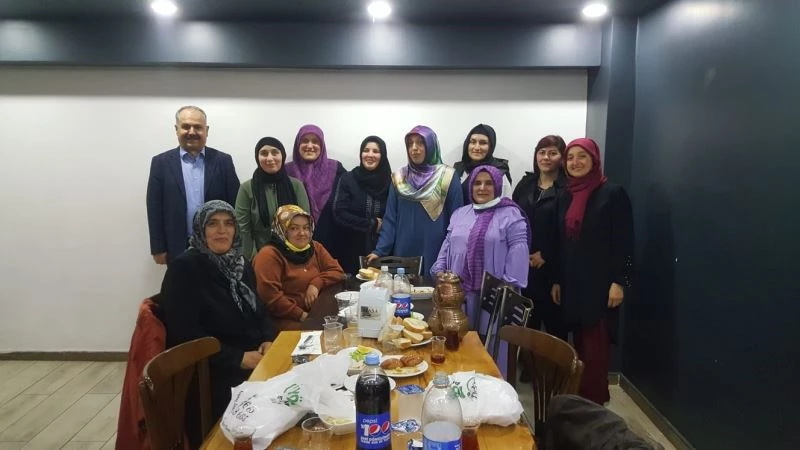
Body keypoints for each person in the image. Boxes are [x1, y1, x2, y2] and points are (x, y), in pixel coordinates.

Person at [159, 200, 275, 446]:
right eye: (213, 224)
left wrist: (267, 339)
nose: (222, 231)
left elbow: (259, 311)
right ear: (200, 230)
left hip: (253, 362)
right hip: (211, 375)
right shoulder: (184, 269)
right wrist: (238, 358)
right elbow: (185, 334)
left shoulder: (241, 265)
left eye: (228, 224)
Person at [550, 138, 634, 405]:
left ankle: (593, 404)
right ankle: (581, 399)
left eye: (582, 156)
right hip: (572, 283)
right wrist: (557, 281)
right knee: (579, 345)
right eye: (570, 157)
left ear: (594, 160)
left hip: (600, 285)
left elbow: (625, 242)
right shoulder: (566, 195)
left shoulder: (612, 193)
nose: (575, 162)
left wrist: (620, 282)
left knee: (596, 348)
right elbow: (561, 243)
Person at [431, 164, 530, 331]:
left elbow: (518, 254)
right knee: (458, 339)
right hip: (457, 295)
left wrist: (505, 290)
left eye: (489, 183)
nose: (482, 188)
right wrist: (440, 271)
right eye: (477, 183)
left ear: (497, 186)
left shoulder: (511, 215)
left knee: (489, 340)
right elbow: (447, 244)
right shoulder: (460, 213)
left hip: (494, 297)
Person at [146, 106, 240, 265]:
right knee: (181, 281)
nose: (191, 132)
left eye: (198, 127)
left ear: (206, 130)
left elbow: (235, 204)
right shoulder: (160, 163)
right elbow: (154, 208)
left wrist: (235, 242)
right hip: (177, 245)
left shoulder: (223, 161)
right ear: (176, 130)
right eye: (186, 126)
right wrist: (158, 248)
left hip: (217, 243)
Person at [367, 125, 464, 275]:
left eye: (420, 143)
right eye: (410, 143)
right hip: (404, 252)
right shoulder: (399, 178)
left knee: (433, 288)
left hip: (437, 252)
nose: (414, 148)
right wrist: (380, 250)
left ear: (431, 145)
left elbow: (457, 222)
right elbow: (390, 219)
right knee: (404, 287)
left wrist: (452, 255)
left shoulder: (448, 177)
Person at [512, 135, 569, 341]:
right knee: (526, 330)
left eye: (553, 153)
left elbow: (568, 232)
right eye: (542, 152)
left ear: (562, 158)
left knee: (556, 332)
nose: (546, 157)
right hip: (523, 267)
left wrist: (546, 255)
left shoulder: (568, 189)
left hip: (553, 270)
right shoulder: (525, 184)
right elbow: (512, 217)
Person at [253, 204, 346, 330]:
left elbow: (338, 272)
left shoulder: (314, 247)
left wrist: (316, 283)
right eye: (294, 228)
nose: (302, 233)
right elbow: (270, 298)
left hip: (315, 312)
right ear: (282, 230)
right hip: (286, 320)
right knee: (332, 334)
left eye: (306, 228)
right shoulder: (269, 255)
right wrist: (302, 315)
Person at [235, 137, 310, 260]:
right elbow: (243, 229)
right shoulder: (246, 188)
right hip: (260, 256)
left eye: (275, 152)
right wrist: (251, 258)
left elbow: (305, 224)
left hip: (294, 256)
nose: (270, 158)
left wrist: (301, 255)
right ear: (257, 158)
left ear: (282, 156)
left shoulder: (296, 186)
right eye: (264, 153)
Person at [332, 136, 392, 274]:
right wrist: (371, 224)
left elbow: (394, 217)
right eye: (366, 150)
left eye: (376, 151)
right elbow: (338, 213)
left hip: (383, 251)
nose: (370, 155)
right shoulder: (348, 179)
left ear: (383, 155)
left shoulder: (391, 183)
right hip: (351, 249)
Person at [285, 125, 346, 257]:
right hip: (295, 243)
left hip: (332, 241)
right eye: (305, 141)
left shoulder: (336, 168)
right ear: (297, 144)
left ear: (322, 145)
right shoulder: (286, 171)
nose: (310, 145)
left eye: (315, 141)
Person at [453, 124, 512, 201]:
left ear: (491, 146)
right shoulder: (458, 169)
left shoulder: (499, 171)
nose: (477, 147)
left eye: (483, 143)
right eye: (473, 142)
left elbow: (506, 203)